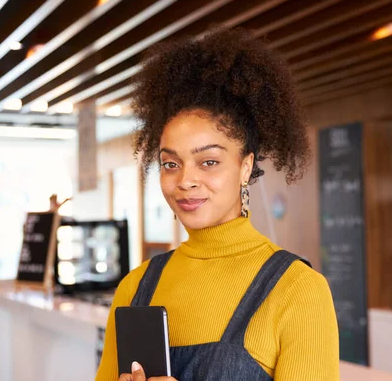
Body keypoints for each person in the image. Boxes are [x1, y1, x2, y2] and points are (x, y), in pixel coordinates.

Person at [95, 27, 339, 381]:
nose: (185, 180)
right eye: (170, 163)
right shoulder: (135, 288)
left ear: (245, 166)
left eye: (208, 161)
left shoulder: (298, 289)